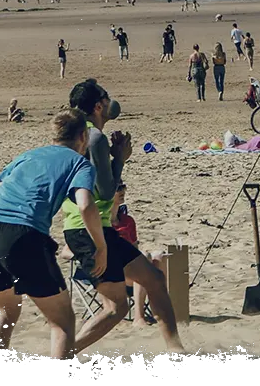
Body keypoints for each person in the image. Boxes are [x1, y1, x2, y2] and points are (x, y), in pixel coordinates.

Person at [59, 79, 184, 354]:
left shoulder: (76, 135)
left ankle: (176, 349)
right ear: (98, 105)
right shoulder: (95, 138)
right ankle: (63, 355)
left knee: (153, 278)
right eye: (105, 97)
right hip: (89, 228)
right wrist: (120, 159)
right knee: (115, 308)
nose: (109, 101)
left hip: (86, 227)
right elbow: (105, 192)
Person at [0, 108, 99, 359]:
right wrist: (101, 246)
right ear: (83, 136)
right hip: (23, 233)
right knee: (62, 320)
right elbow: (85, 204)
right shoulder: (79, 162)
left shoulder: (27, 156)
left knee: (5, 311)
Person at [108, 184, 170, 327]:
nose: (122, 191)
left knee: (159, 255)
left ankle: (160, 312)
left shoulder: (128, 221)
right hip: (113, 272)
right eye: (117, 188)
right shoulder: (101, 223)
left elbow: (135, 249)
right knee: (144, 259)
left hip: (131, 268)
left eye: (123, 187)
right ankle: (138, 317)